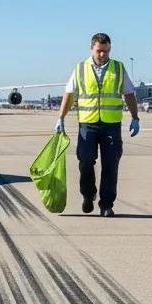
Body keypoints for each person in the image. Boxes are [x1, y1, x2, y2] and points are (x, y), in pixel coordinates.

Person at [55, 32, 140, 217]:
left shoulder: (118, 68)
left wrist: (135, 117)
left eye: (106, 51)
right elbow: (69, 94)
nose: (103, 55)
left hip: (111, 124)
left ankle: (106, 205)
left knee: (111, 165)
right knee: (85, 162)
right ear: (92, 48)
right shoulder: (80, 69)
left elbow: (129, 93)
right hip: (87, 124)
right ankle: (88, 194)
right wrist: (61, 117)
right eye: (99, 51)